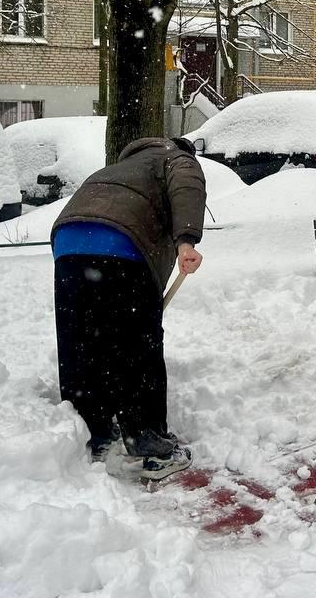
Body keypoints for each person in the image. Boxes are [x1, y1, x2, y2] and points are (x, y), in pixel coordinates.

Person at [50, 137, 205, 479]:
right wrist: (186, 240)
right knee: (136, 345)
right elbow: (187, 186)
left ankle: (93, 433)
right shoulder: (175, 157)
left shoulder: (118, 167)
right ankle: (148, 442)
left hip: (69, 244)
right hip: (122, 247)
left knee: (82, 342)